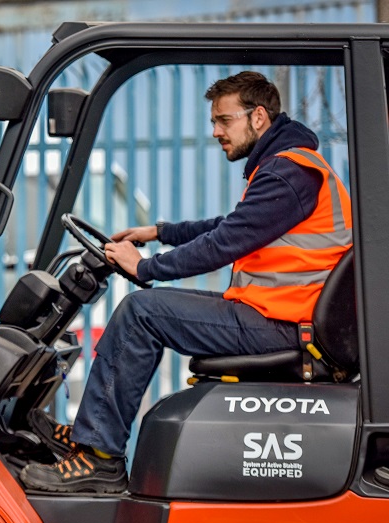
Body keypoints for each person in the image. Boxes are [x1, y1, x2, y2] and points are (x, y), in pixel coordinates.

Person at [20, 71, 352, 494]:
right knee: (146, 311)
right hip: (279, 317)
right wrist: (159, 232)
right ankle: (92, 435)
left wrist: (145, 268)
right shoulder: (287, 167)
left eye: (224, 120)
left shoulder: (289, 174)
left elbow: (225, 242)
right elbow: (233, 225)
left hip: (287, 327)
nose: (215, 131)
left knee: (142, 312)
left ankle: (99, 457)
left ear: (259, 118)